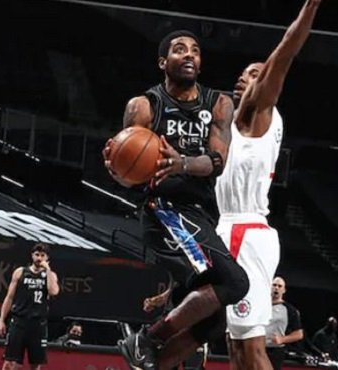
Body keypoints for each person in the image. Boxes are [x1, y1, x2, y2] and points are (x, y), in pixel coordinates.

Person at [214, 0, 338, 370]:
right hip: (237, 229)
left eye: (252, 73)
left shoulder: (258, 110)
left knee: (251, 350)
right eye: (244, 73)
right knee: (236, 349)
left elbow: (284, 53)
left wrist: (311, 3)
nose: (244, 78)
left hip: (245, 233)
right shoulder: (233, 123)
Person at [105, 28, 249, 370]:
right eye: (179, 50)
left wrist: (181, 163)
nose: (189, 55)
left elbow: (217, 163)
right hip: (163, 211)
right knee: (235, 282)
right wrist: (117, 169)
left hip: (200, 214)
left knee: (212, 323)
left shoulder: (218, 103)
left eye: (195, 51)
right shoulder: (143, 106)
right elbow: (128, 176)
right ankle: (147, 338)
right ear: (162, 62)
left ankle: (147, 359)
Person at [0, 243, 60, 370]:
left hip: (37, 324)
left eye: (43, 255)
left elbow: (53, 291)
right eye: (37, 255)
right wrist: (1, 320)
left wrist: (47, 270)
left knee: (35, 363)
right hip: (19, 321)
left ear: (47, 258)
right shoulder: (20, 272)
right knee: (10, 362)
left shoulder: (51, 275)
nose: (39, 258)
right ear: (32, 255)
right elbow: (9, 297)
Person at [264, 277, 304, 370]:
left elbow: (299, 334)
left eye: (279, 286)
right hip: (258, 347)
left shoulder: (289, 310)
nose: (276, 288)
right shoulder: (261, 305)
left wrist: (282, 339)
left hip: (275, 351)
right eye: (274, 285)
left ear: (284, 290)